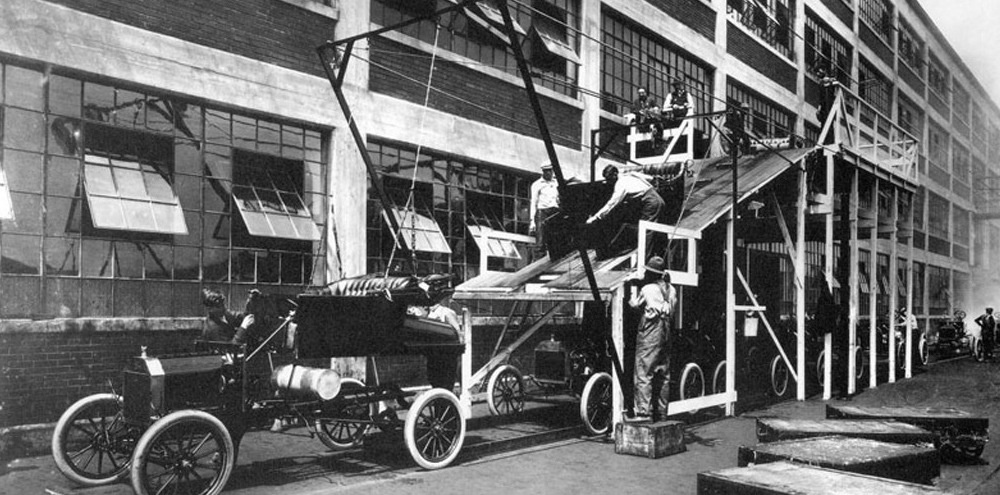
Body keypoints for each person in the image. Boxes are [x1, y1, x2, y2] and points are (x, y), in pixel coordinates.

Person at [627, 256, 676, 422]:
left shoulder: (647, 289)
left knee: (643, 372)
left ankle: (643, 413)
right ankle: (662, 413)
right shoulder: (672, 290)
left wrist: (633, 291)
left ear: (650, 272)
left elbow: (634, 304)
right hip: (667, 330)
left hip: (650, 331)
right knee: (663, 373)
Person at [585, 165, 666, 256]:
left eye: (609, 179)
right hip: (657, 198)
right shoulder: (629, 175)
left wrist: (596, 217)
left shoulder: (621, 184)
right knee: (656, 229)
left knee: (646, 230)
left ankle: (645, 260)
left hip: (651, 202)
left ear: (615, 174)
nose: (608, 182)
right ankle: (659, 254)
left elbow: (612, 203)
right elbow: (650, 178)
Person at [529, 161, 560, 260]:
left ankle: (555, 258)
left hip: (555, 211)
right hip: (542, 212)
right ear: (543, 172)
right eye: (546, 171)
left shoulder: (556, 182)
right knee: (540, 240)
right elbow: (533, 202)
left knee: (556, 238)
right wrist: (532, 222)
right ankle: (538, 262)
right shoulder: (537, 184)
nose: (548, 173)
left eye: (550, 171)